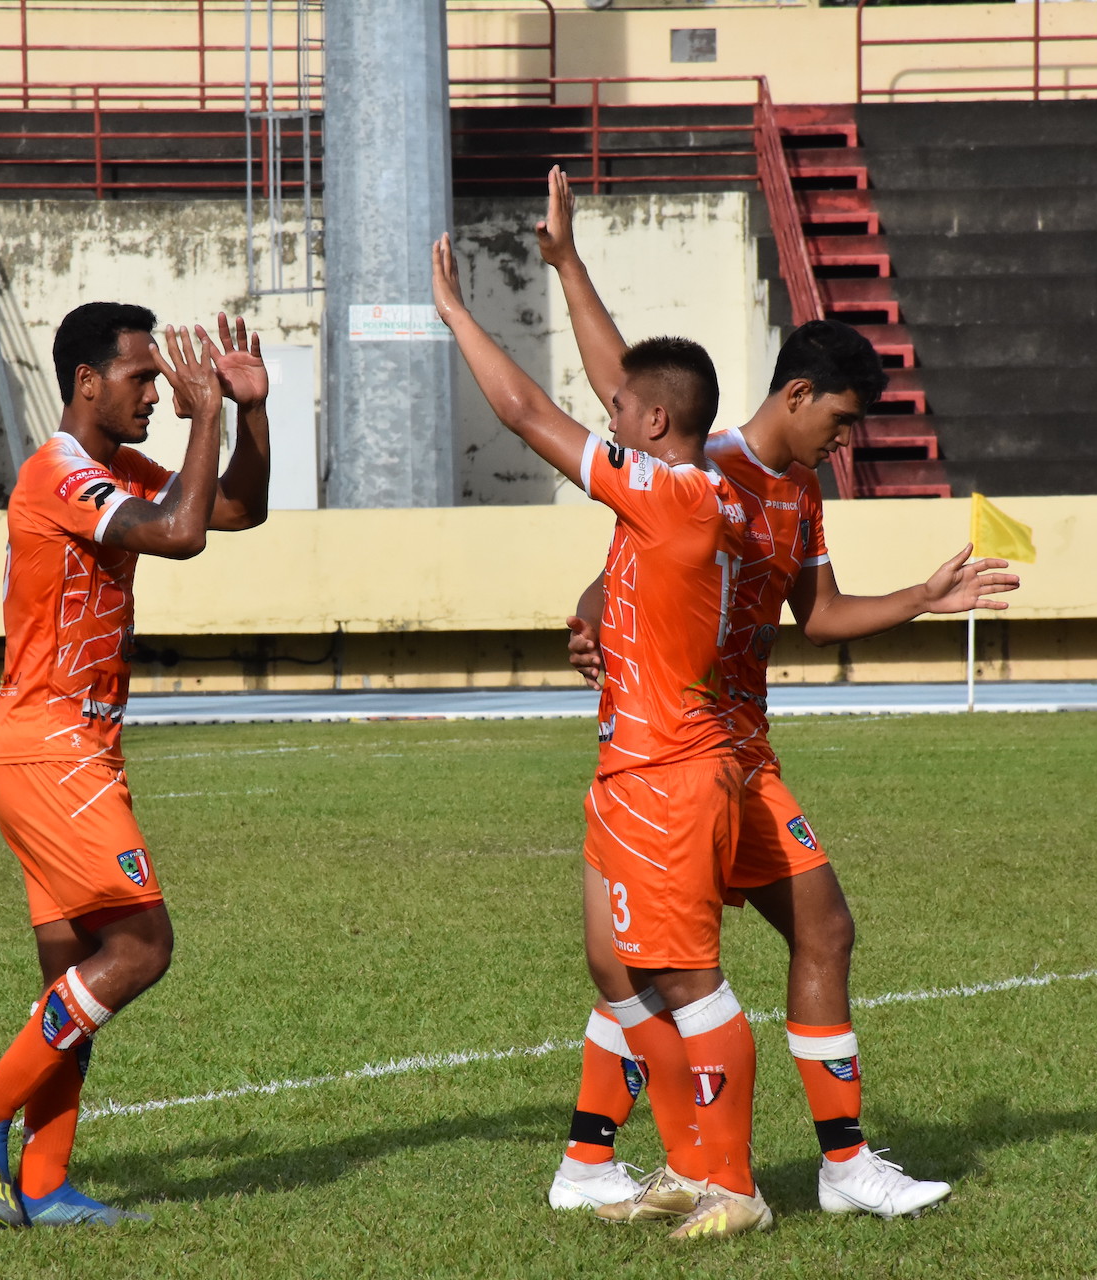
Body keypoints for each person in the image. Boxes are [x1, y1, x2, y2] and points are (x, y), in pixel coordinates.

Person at [533, 167, 1020, 1222]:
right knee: (638, 965)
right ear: (796, 395)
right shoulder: (697, 462)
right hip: (670, 753)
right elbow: (624, 387)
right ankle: (600, 1158)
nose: (841, 445)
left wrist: (923, 598)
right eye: (838, 423)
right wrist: (568, 263)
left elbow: (822, 615)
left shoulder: (800, 492)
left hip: (744, 757)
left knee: (820, 929)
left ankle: (843, 1165)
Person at [432, 234, 772, 1240]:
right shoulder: (673, 478)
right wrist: (568, 264)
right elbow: (622, 379)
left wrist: (457, 312)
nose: (607, 411)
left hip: (673, 770)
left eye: (621, 410)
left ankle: (734, 1182)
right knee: (617, 973)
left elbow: (529, 412)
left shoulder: (677, 497)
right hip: (628, 766)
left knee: (686, 979)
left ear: (654, 424)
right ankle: (687, 1159)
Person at [0, 304, 269, 1229]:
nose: (157, 392)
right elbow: (181, 533)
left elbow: (235, 508)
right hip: (50, 747)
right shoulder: (60, 473)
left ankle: (44, 1184)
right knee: (141, 947)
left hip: (70, 746)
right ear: (87, 381)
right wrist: (206, 419)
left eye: (163, 379)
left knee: (73, 979)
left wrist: (249, 412)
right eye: (142, 377)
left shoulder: (112, 467)